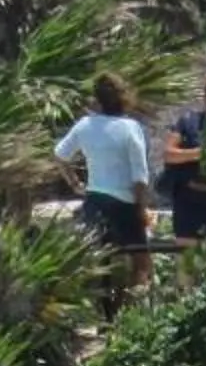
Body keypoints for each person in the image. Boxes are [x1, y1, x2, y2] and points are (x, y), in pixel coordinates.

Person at [55, 73, 155, 286]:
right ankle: (137, 304)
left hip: (94, 202)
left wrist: (75, 184)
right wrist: (141, 210)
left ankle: (97, 309)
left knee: (94, 262)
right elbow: (139, 177)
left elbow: (60, 155)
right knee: (142, 262)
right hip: (124, 205)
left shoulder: (84, 125)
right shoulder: (130, 128)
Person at [164, 73, 206, 242]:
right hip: (189, 201)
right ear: (205, 98)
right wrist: (201, 152)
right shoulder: (189, 121)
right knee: (187, 262)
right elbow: (169, 154)